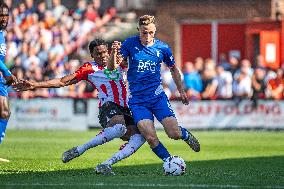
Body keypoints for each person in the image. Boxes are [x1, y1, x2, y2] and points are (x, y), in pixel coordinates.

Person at [13, 38, 145, 175]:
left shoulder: (119, 62)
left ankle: (107, 164)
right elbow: (62, 81)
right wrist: (35, 85)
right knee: (119, 128)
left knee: (141, 136)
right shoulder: (89, 69)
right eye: (98, 54)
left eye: (105, 52)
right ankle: (80, 149)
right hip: (108, 106)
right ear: (92, 55)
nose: (103, 56)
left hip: (126, 108)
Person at [112, 15, 200, 162]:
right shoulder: (129, 44)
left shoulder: (163, 48)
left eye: (151, 32)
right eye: (144, 32)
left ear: (155, 30)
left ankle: (185, 135)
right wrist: (115, 53)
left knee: (174, 133)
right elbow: (114, 66)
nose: (147, 36)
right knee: (151, 137)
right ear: (138, 30)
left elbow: (173, 69)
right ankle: (169, 161)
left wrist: (181, 90)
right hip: (138, 101)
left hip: (157, 97)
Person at [0, 0, 17, 146]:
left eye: (6, 15)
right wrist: (6, 71)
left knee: (5, 112)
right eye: (0, 15)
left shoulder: (1, 34)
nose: (4, 18)